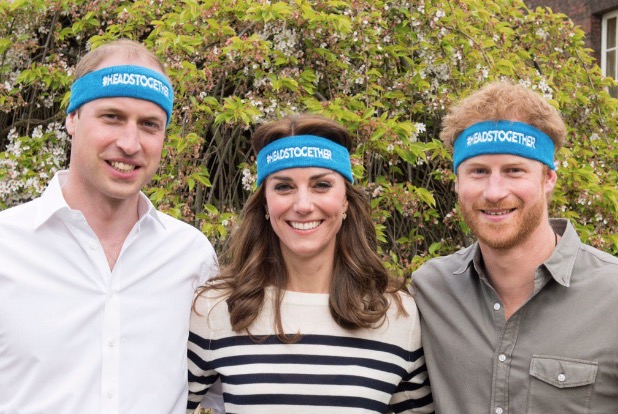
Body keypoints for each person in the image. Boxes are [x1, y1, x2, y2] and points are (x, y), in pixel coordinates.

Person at [0, 39, 221, 413]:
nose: (130, 144)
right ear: (72, 118)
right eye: (112, 117)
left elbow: (235, 386)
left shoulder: (191, 256)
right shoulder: (7, 245)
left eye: (149, 124)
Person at [187, 113, 434, 413]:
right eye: (284, 187)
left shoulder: (396, 315)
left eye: (321, 185)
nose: (303, 205)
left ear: (345, 200)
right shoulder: (217, 309)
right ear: (265, 203)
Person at [411, 81, 618, 413]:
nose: (494, 192)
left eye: (514, 171)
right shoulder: (430, 291)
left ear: (548, 179)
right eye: (478, 171)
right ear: (457, 182)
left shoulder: (612, 296)